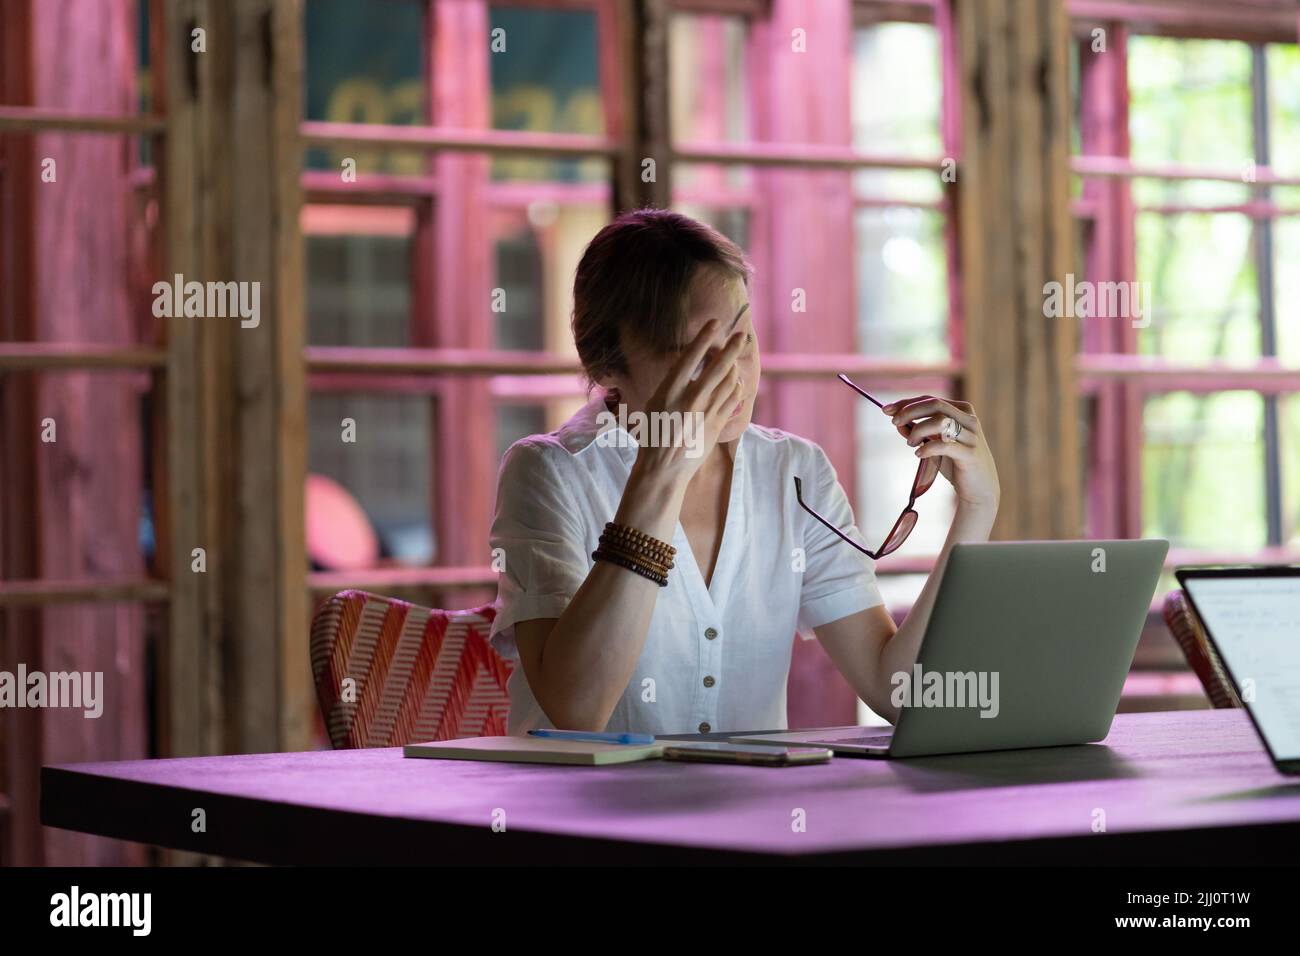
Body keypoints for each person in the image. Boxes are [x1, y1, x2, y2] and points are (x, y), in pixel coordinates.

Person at [488, 209, 1000, 735]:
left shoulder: (794, 473)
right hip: (584, 815)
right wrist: (662, 473)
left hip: (753, 814)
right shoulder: (550, 472)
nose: (733, 377)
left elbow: (902, 695)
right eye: (698, 358)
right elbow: (579, 710)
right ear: (605, 366)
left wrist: (976, 509)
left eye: (743, 339)